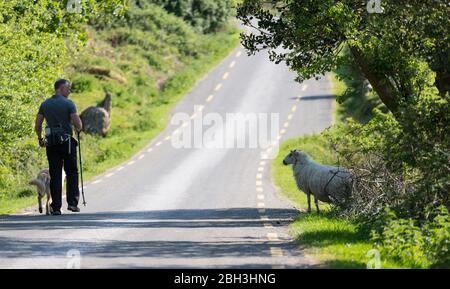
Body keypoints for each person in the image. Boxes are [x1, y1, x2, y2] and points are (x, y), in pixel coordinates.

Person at [34, 79, 83, 215]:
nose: (70, 91)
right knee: (71, 172)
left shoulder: (45, 104)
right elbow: (78, 124)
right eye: (68, 88)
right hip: (66, 142)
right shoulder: (69, 104)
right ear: (61, 88)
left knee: (55, 174)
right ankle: (72, 203)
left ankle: (56, 207)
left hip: (51, 143)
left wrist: (40, 139)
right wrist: (78, 128)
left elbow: (38, 125)